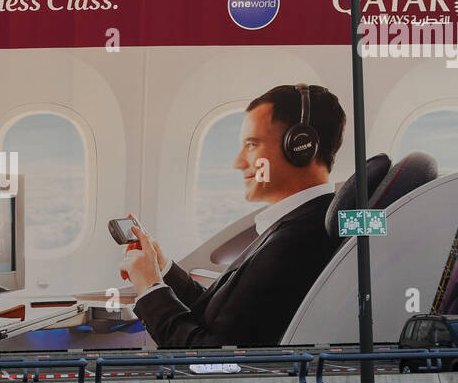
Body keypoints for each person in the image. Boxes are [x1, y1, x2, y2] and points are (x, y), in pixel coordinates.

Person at [123, 83, 347, 348]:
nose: (238, 162)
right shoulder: (297, 223)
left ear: (300, 147)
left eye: (252, 145)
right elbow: (223, 314)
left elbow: (213, 355)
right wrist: (163, 270)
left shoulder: (298, 240)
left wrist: (149, 287)